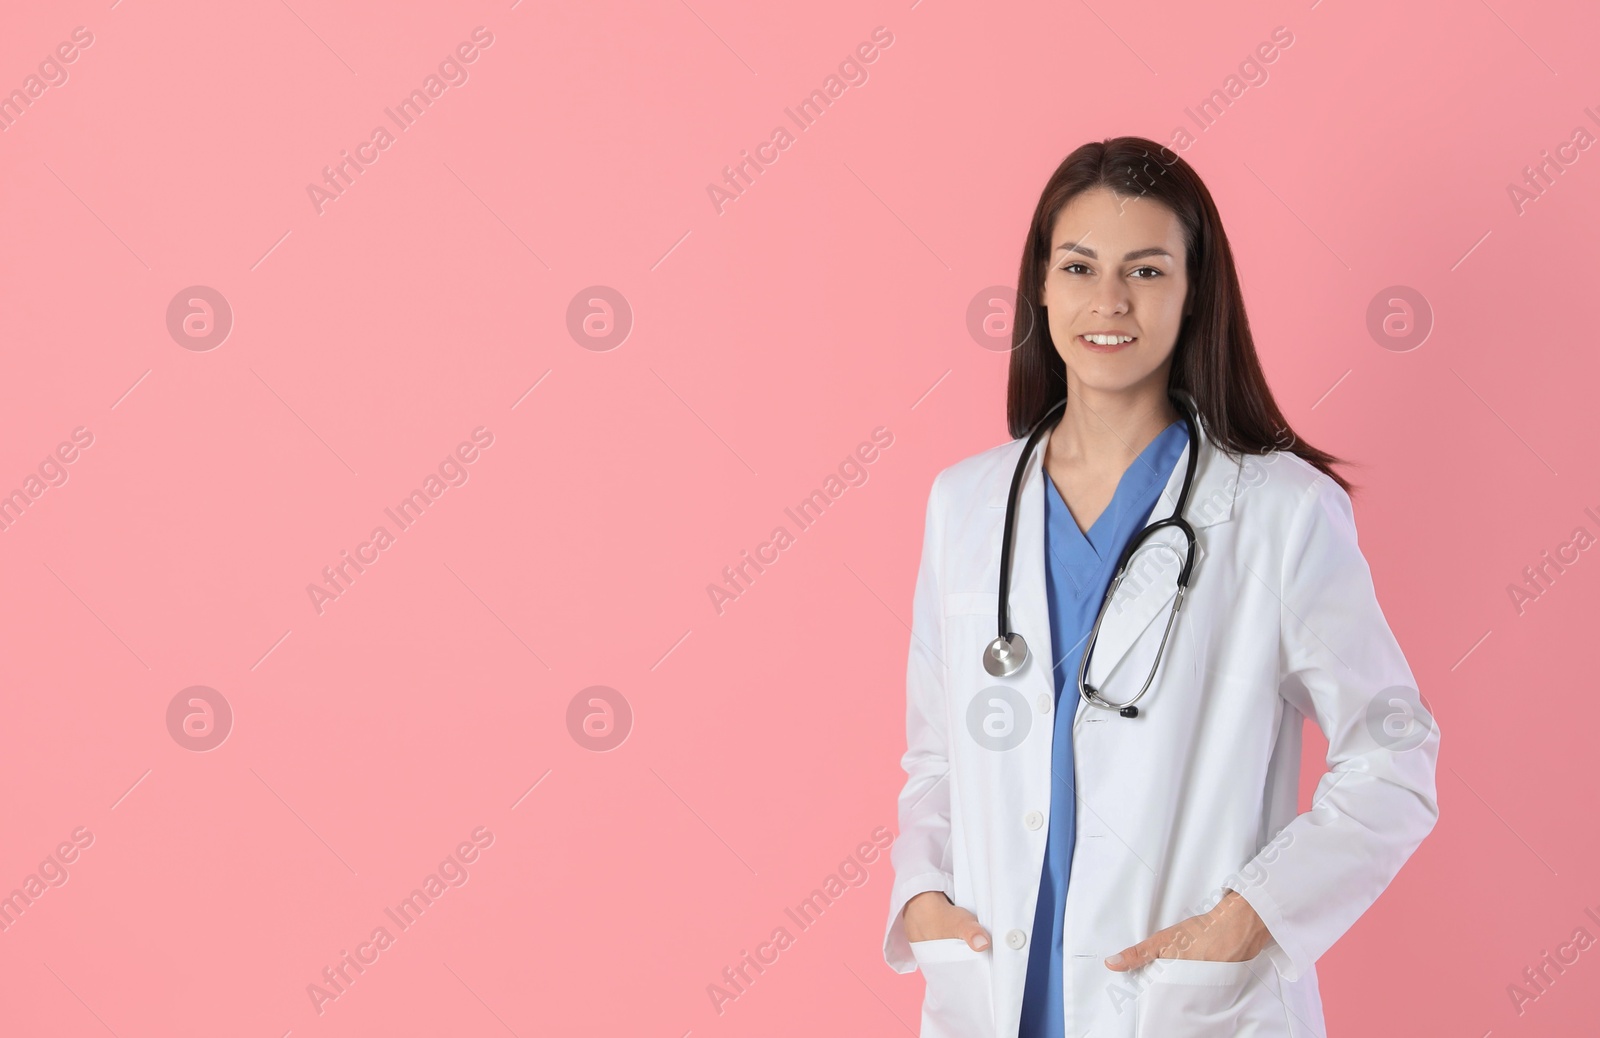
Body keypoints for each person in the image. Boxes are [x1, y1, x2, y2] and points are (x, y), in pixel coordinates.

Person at [881, 137, 1441, 1038]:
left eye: (1145, 269)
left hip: (1183, 1004)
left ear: (1193, 292)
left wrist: (1251, 917)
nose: (1108, 302)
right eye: (1080, 266)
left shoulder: (1278, 513)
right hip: (997, 998)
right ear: (1041, 286)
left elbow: (1396, 758)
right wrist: (923, 898)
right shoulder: (968, 504)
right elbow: (937, 758)